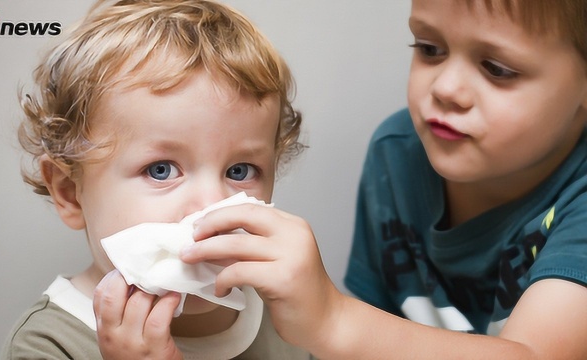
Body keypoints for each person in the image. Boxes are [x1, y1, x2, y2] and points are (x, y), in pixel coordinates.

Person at [179, 0, 587, 358]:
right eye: (429, 49)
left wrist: (333, 320)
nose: (446, 88)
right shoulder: (398, 154)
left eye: (497, 69)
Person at [0, 0, 311, 359]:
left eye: (239, 171)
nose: (212, 207)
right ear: (70, 193)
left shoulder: (287, 310)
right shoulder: (49, 344)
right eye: (160, 169)